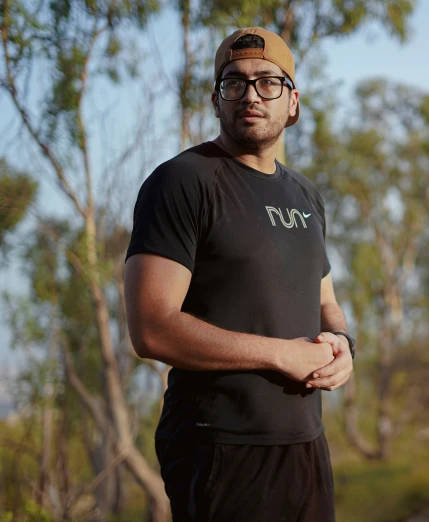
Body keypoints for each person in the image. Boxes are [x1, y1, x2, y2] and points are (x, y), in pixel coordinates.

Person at [123, 27, 355, 522]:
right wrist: (279, 355)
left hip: (305, 444)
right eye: (235, 82)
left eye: (268, 82)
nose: (251, 94)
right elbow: (150, 327)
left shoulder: (306, 196)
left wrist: (341, 345)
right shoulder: (182, 182)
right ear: (216, 99)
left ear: (293, 102)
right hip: (220, 447)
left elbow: (324, 301)